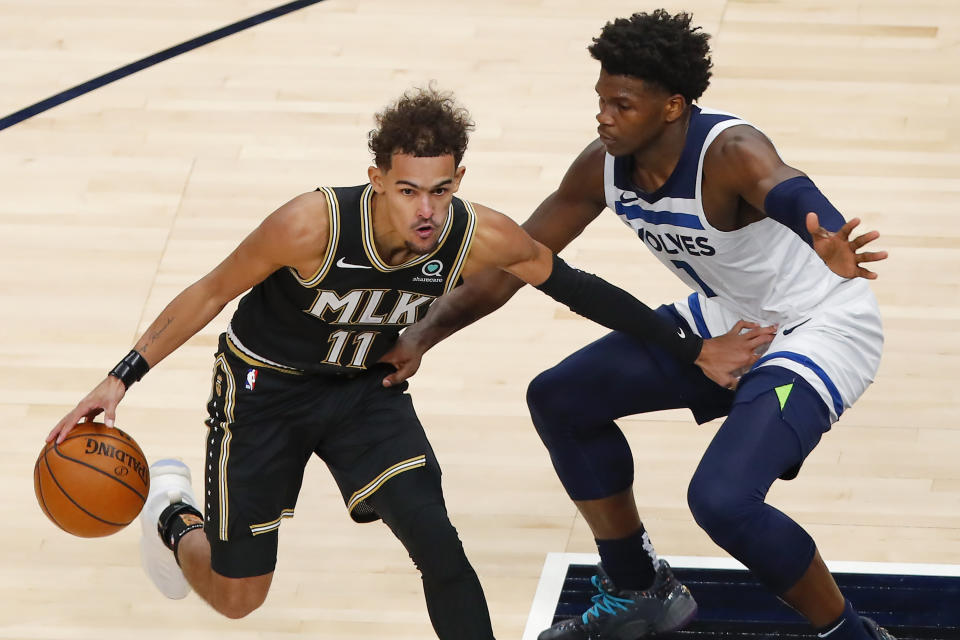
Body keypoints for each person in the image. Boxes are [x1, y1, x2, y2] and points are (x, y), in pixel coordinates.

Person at [47, 86, 769, 639]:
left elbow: (580, 289)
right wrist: (120, 378)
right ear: (377, 178)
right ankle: (174, 517)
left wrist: (693, 350)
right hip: (265, 392)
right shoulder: (311, 224)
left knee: (438, 542)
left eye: (441, 189)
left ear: (459, 179)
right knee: (240, 597)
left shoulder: (476, 233)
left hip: (366, 392)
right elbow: (208, 292)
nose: (426, 210)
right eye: (407, 190)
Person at [379, 11, 894, 640]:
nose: (604, 116)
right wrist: (421, 336)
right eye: (601, 100)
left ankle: (851, 634)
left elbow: (783, 186)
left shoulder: (727, 151)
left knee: (722, 501)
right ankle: (638, 588)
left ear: (673, 106)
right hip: (732, 314)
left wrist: (824, 229)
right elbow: (514, 264)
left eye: (622, 105)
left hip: (823, 325)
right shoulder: (603, 165)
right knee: (560, 398)